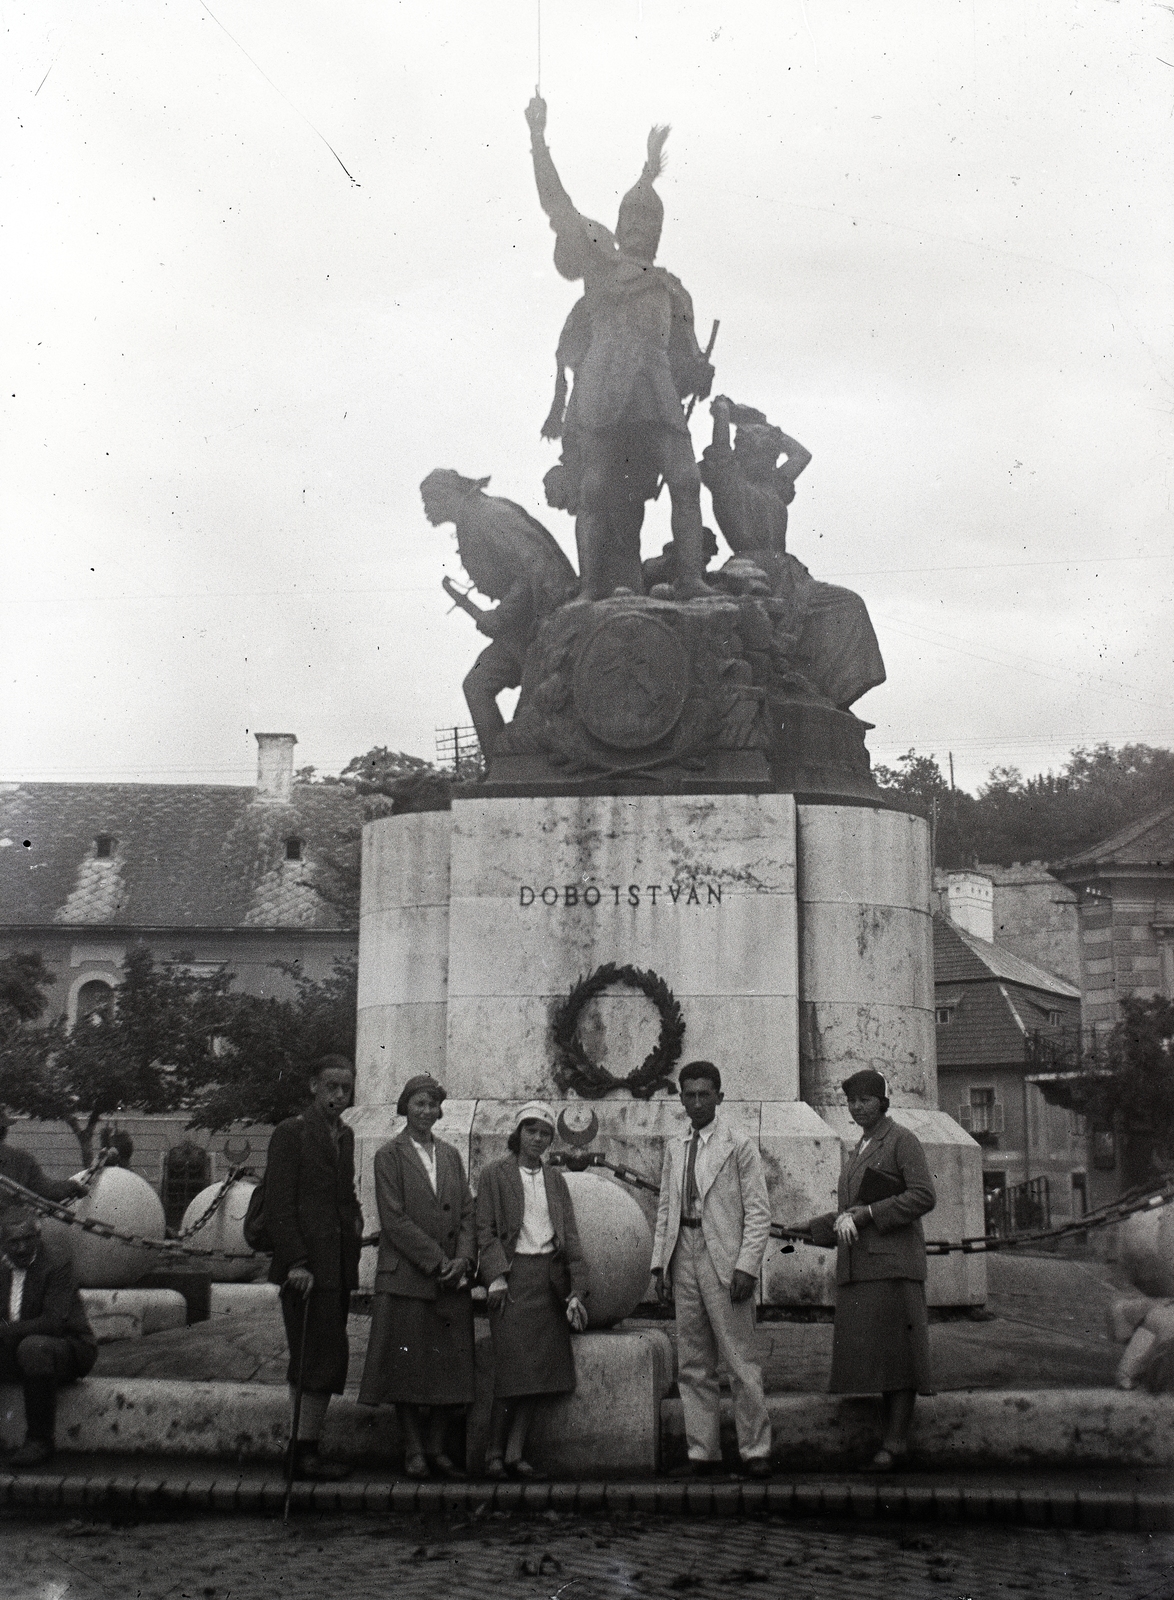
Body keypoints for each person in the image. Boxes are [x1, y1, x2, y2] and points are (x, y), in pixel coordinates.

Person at [525, 95, 716, 602]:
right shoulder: (602, 264)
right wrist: (537, 140)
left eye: (646, 220)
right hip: (606, 390)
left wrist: (700, 371)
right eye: (630, 218)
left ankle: (690, 578)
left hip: (654, 392)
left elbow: (687, 358)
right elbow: (558, 207)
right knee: (594, 489)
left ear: (657, 227)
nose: (638, 227)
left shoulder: (673, 289)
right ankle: (590, 588)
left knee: (686, 480)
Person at [700, 396, 886, 710]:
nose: (772, 460)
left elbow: (801, 454)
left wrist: (763, 424)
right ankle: (802, 694)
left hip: (789, 573)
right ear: (744, 453)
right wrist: (722, 416)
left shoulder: (775, 486)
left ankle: (828, 698)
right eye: (763, 452)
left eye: (772, 454)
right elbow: (720, 452)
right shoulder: (728, 481)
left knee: (849, 604)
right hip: (749, 571)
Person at [804, 1069, 936, 1470]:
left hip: (892, 1269)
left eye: (865, 1099)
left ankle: (895, 1443)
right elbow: (851, 1211)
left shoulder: (901, 1141)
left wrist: (870, 1214)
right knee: (880, 1356)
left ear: (883, 1101)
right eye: (851, 1101)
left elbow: (924, 1195)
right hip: (863, 1268)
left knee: (898, 1357)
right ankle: (890, 1440)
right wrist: (809, 1229)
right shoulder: (860, 1145)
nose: (858, 1107)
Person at [651, 1062, 773, 1479]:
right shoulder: (675, 1145)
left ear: (720, 1097)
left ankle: (755, 1450)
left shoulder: (738, 1144)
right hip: (683, 1249)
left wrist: (747, 1265)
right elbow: (666, 1207)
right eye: (690, 1094)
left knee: (739, 1359)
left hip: (724, 1254)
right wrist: (659, 1264)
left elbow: (758, 1212)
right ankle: (702, 1452)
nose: (697, 1102)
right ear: (681, 1097)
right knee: (693, 1359)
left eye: (705, 1094)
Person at [358, 1074, 476, 1479]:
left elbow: (465, 1213)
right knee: (406, 1369)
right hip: (409, 1276)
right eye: (418, 1104)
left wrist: (462, 1260)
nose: (426, 1112)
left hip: (451, 1281)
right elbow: (394, 1219)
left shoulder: (451, 1155)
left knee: (448, 1366)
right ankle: (413, 1449)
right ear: (405, 1106)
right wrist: (438, 1263)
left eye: (432, 1105)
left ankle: (437, 1447)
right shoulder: (388, 1155)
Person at [421, 468, 578, 760]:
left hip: (546, 624)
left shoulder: (487, 515)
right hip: (519, 628)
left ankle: (519, 767)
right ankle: (499, 768)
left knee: (530, 714)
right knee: (477, 685)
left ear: (446, 495)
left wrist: (502, 615)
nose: (425, 509)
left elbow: (537, 564)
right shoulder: (471, 520)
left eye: (427, 500)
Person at [263, 1053, 364, 1482]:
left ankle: (304, 1446)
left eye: (346, 1088)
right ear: (313, 1086)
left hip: (337, 1265)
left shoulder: (345, 1135)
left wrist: (355, 1226)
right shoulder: (292, 1133)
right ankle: (301, 1452)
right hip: (305, 1271)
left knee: (327, 1355)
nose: (338, 1096)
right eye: (331, 1087)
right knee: (313, 1357)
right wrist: (296, 1262)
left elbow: (343, 1198)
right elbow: (278, 1204)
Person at [476, 1101, 588, 1479]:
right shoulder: (494, 1174)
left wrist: (576, 1290)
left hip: (549, 1283)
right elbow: (485, 1230)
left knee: (540, 1375)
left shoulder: (555, 1179)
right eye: (531, 1131)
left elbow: (569, 1234)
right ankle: (492, 1453)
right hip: (512, 1280)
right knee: (512, 1371)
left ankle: (514, 1453)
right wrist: (495, 1275)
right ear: (518, 1133)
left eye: (544, 1133)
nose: (537, 1139)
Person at [0, 1205, 97, 1467]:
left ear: (38, 1237)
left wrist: (6, 1330)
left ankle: (39, 1441)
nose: (21, 1248)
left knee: (34, 1347)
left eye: (27, 1239)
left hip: (68, 1348)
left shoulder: (56, 1264)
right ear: (2, 1244)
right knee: (27, 1346)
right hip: (18, 1348)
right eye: (13, 1242)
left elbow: (53, 1323)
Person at [0, 1109, 88, 1204]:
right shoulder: (20, 1158)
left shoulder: (19, 1157)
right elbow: (47, 1190)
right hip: (11, 1217)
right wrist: (73, 1186)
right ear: (4, 1131)